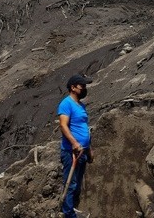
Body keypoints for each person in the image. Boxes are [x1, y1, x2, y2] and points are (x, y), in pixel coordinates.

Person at [58, 75, 93, 218]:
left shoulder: (81, 105)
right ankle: (68, 214)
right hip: (71, 151)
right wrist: (74, 143)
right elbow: (63, 125)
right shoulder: (66, 104)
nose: (84, 89)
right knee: (70, 184)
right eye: (82, 86)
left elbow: (84, 127)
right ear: (73, 87)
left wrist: (89, 149)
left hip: (83, 151)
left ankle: (72, 209)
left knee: (77, 184)